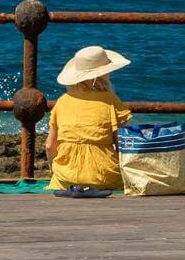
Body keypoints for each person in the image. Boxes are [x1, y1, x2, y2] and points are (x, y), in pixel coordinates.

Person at [45, 46, 133, 197]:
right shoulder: (110, 100)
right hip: (104, 177)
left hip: (65, 179)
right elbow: (123, 147)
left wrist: (57, 172)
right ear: (105, 74)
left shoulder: (62, 101)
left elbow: (49, 146)